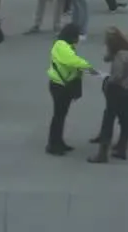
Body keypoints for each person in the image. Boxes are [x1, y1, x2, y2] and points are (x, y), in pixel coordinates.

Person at [89, 26, 128, 163]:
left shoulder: (120, 56)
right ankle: (122, 147)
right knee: (124, 115)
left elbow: (117, 75)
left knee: (109, 117)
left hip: (118, 89)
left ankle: (102, 153)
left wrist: (107, 79)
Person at [47, 23, 99, 156]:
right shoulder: (62, 47)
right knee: (58, 116)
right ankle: (53, 145)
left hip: (61, 84)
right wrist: (90, 69)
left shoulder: (63, 45)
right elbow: (73, 61)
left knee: (61, 116)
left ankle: (59, 141)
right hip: (60, 86)